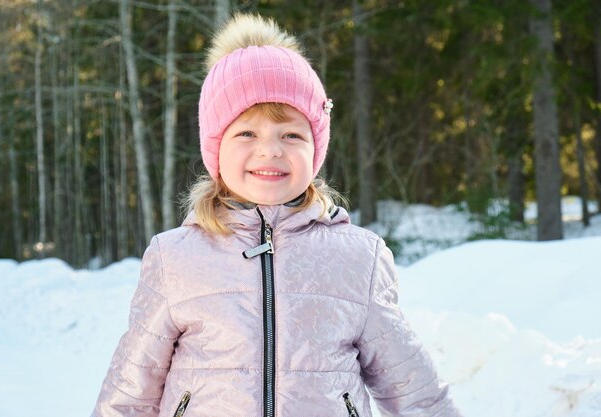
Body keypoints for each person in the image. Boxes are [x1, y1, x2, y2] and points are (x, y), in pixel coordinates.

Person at [92, 13, 461, 417]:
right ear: (216, 147)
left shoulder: (359, 258)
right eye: (247, 133)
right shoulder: (175, 258)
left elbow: (413, 388)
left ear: (315, 149)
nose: (270, 150)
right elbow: (131, 389)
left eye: (291, 134)